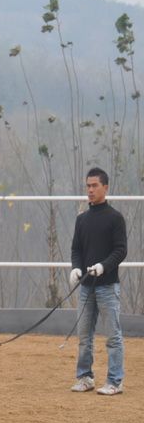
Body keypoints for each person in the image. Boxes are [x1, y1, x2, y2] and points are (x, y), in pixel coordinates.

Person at [69, 167, 127, 395]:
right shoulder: (81, 220)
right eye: (88, 186)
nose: (90, 190)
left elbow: (121, 250)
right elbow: (76, 249)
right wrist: (75, 267)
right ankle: (85, 377)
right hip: (86, 288)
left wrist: (103, 266)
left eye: (94, 185)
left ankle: (115, 380)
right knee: (84, 336)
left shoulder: (115, 218)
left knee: (113, 336)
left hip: (107, 286)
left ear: (105, 187)